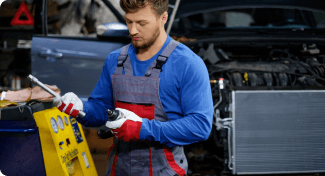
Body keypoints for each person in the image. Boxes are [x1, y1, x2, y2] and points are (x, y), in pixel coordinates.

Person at [54, 0, 213, 175]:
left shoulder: (187, 64)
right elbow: (101, 110)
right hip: (118, 169)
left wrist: (141, 129)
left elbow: (200, 126)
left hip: (165, 171)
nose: (133, 30)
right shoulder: (115, 60)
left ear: (163, 18)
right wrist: (81, 108)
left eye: (141, 23)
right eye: (129, 21)